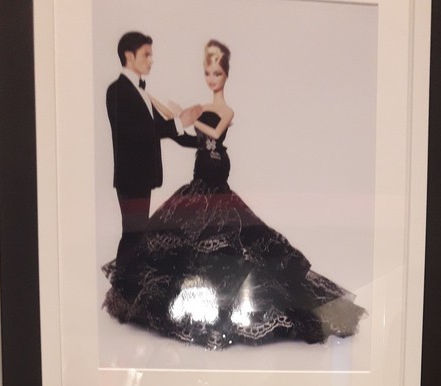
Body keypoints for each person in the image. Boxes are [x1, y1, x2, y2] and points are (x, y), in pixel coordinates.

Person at [102, 40, 366, 350]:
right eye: (208, 73)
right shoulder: (199, 108)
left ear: (225, 75)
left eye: (217, 73)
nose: (212, 78)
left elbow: (213, 133)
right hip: (200, 174)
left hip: (216, 170)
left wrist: (186, 118)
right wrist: (162, 108)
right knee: (177, 238)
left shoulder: (225, 110)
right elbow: (184, 134)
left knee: (234, 238)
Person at [106, 31, 201, 262]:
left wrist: (205, 143)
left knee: (136, 235)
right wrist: (180, 121)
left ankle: (126, 280)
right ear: (129, 55)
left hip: (141, 179)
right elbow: (137, 133)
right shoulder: (117, 90)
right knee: (133, 235)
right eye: (146, 54)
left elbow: (164, 130)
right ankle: (122, 281)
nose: (151, 60)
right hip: (131, 179)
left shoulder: (142, 93)